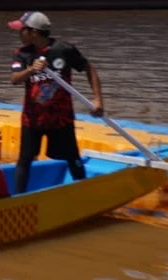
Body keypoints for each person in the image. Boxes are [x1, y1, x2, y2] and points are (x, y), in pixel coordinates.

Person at [8, 10, 101, 192]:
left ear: (33, 32)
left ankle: (83, 192)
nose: (19, 33)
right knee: (25, 159)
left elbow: (89, 68)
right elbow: (14, 79)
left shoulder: (63, 49)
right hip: (32, 119)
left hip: (61, 118)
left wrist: (97, 99)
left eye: (22, 30)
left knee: (72, 156)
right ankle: (18, 199)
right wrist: (30, 70)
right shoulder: (21, 54)